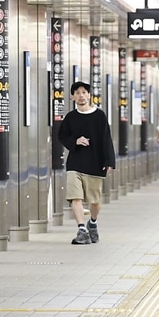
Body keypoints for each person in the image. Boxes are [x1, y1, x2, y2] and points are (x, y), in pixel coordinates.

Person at [57, 81, 116, 244]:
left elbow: (106, 139)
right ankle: (81, 229)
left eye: (84, 92)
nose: (81, 96)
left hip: (95, 164)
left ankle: (93, 223)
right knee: (75, 197)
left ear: (89, 95)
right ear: (72, 96)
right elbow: (62, 136)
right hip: (75, 163)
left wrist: (109, 161)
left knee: (94, 201)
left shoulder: (99, 116)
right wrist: (75, 141)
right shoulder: (70, 117)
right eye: (77, 93)